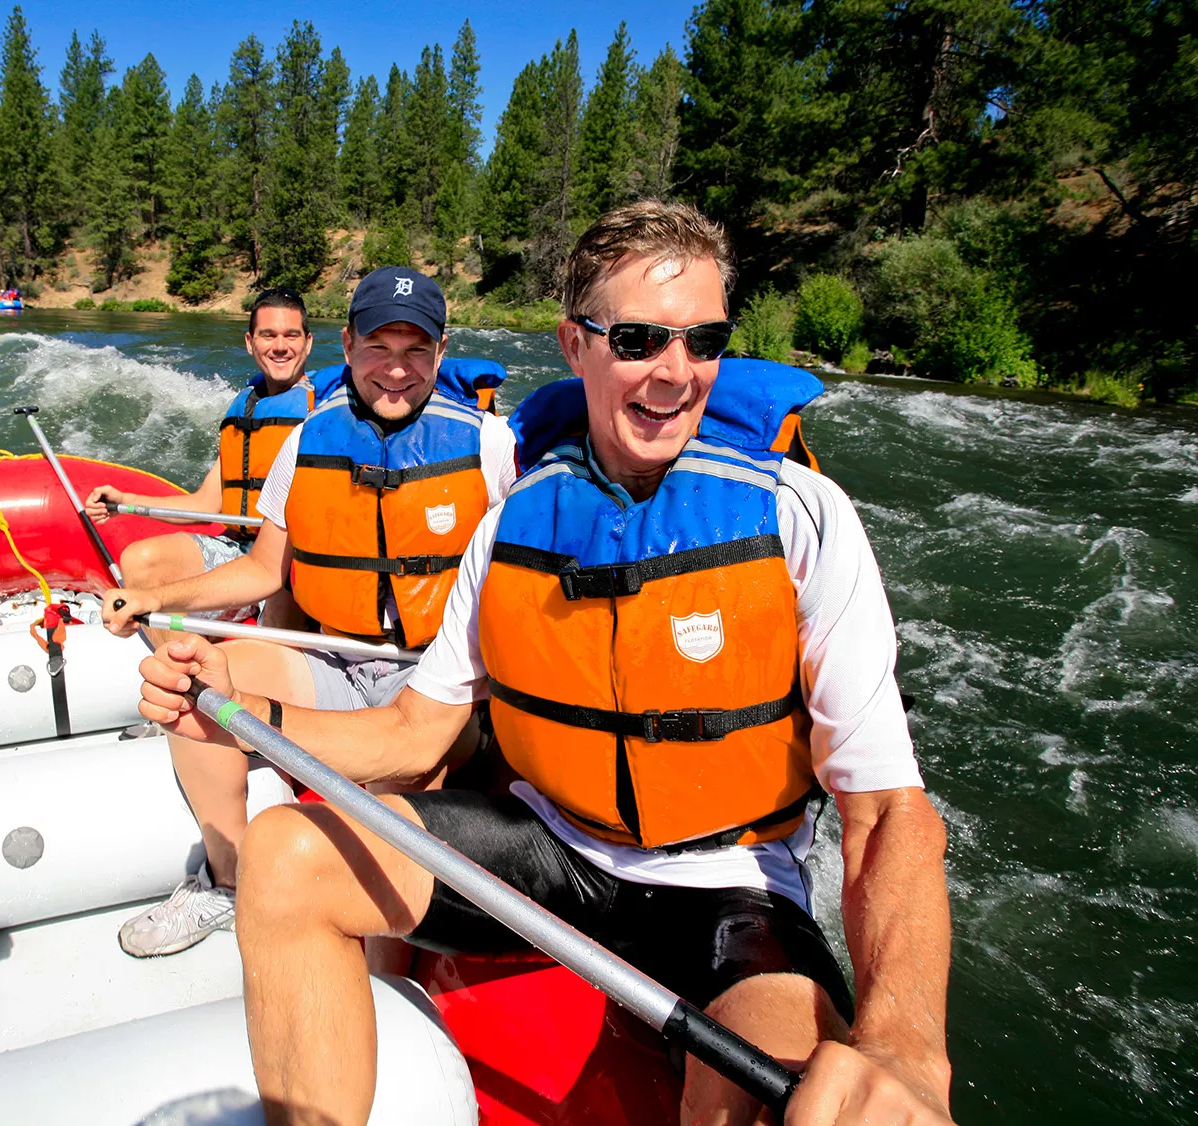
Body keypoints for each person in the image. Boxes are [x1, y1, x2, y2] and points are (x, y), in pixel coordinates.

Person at [137, 202, 955, 1125]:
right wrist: (240, 715)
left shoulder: (801, 515)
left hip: (728, 887)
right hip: (548, 848)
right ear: (575, 344)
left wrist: (906, 1043)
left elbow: (888, 810)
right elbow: (415, 733)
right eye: (641, 340)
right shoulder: (514, 521)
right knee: (286, 853)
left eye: (704, 339)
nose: (675, 373)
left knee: (768, 1091)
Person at [102, 267, 514, 958]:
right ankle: (226, 878)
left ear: (440, 355)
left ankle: (385, 949)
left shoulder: (488, 445)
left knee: (399, 779)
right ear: (348, 346)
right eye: (380, 347)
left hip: (433, 682)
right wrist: (155, 600)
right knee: (199, 688)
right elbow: (264, 569)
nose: (396, 370)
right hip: (335, 658)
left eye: (416, 350)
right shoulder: (307, 441)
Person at [84, 288, 319, 625]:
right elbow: (208, 503)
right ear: (250, 342)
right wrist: (125, 499)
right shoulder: (244, 411)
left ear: (308, 343)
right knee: (139, 560)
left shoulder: (323, 411)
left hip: (289, 565)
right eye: (268, 335)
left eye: (291, 335)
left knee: (282, 596)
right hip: (238, 552)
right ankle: (184, 673)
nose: (280, 346)